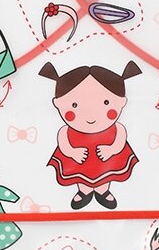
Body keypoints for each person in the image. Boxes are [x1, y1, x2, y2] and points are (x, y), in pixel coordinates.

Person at [39, 61, 142, 210]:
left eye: (106, 102)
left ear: (121, 102)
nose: (91, 115)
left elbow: (120, 140)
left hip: (106, 156)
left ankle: (103, 191)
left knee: (105, 173)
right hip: (79, 156)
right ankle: (84, 191)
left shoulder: (118, 128)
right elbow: (64, 144)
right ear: (58, 104)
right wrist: (72, 152)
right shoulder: (65, 131)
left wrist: (112, 150)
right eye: (74, 105)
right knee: (80, 175)